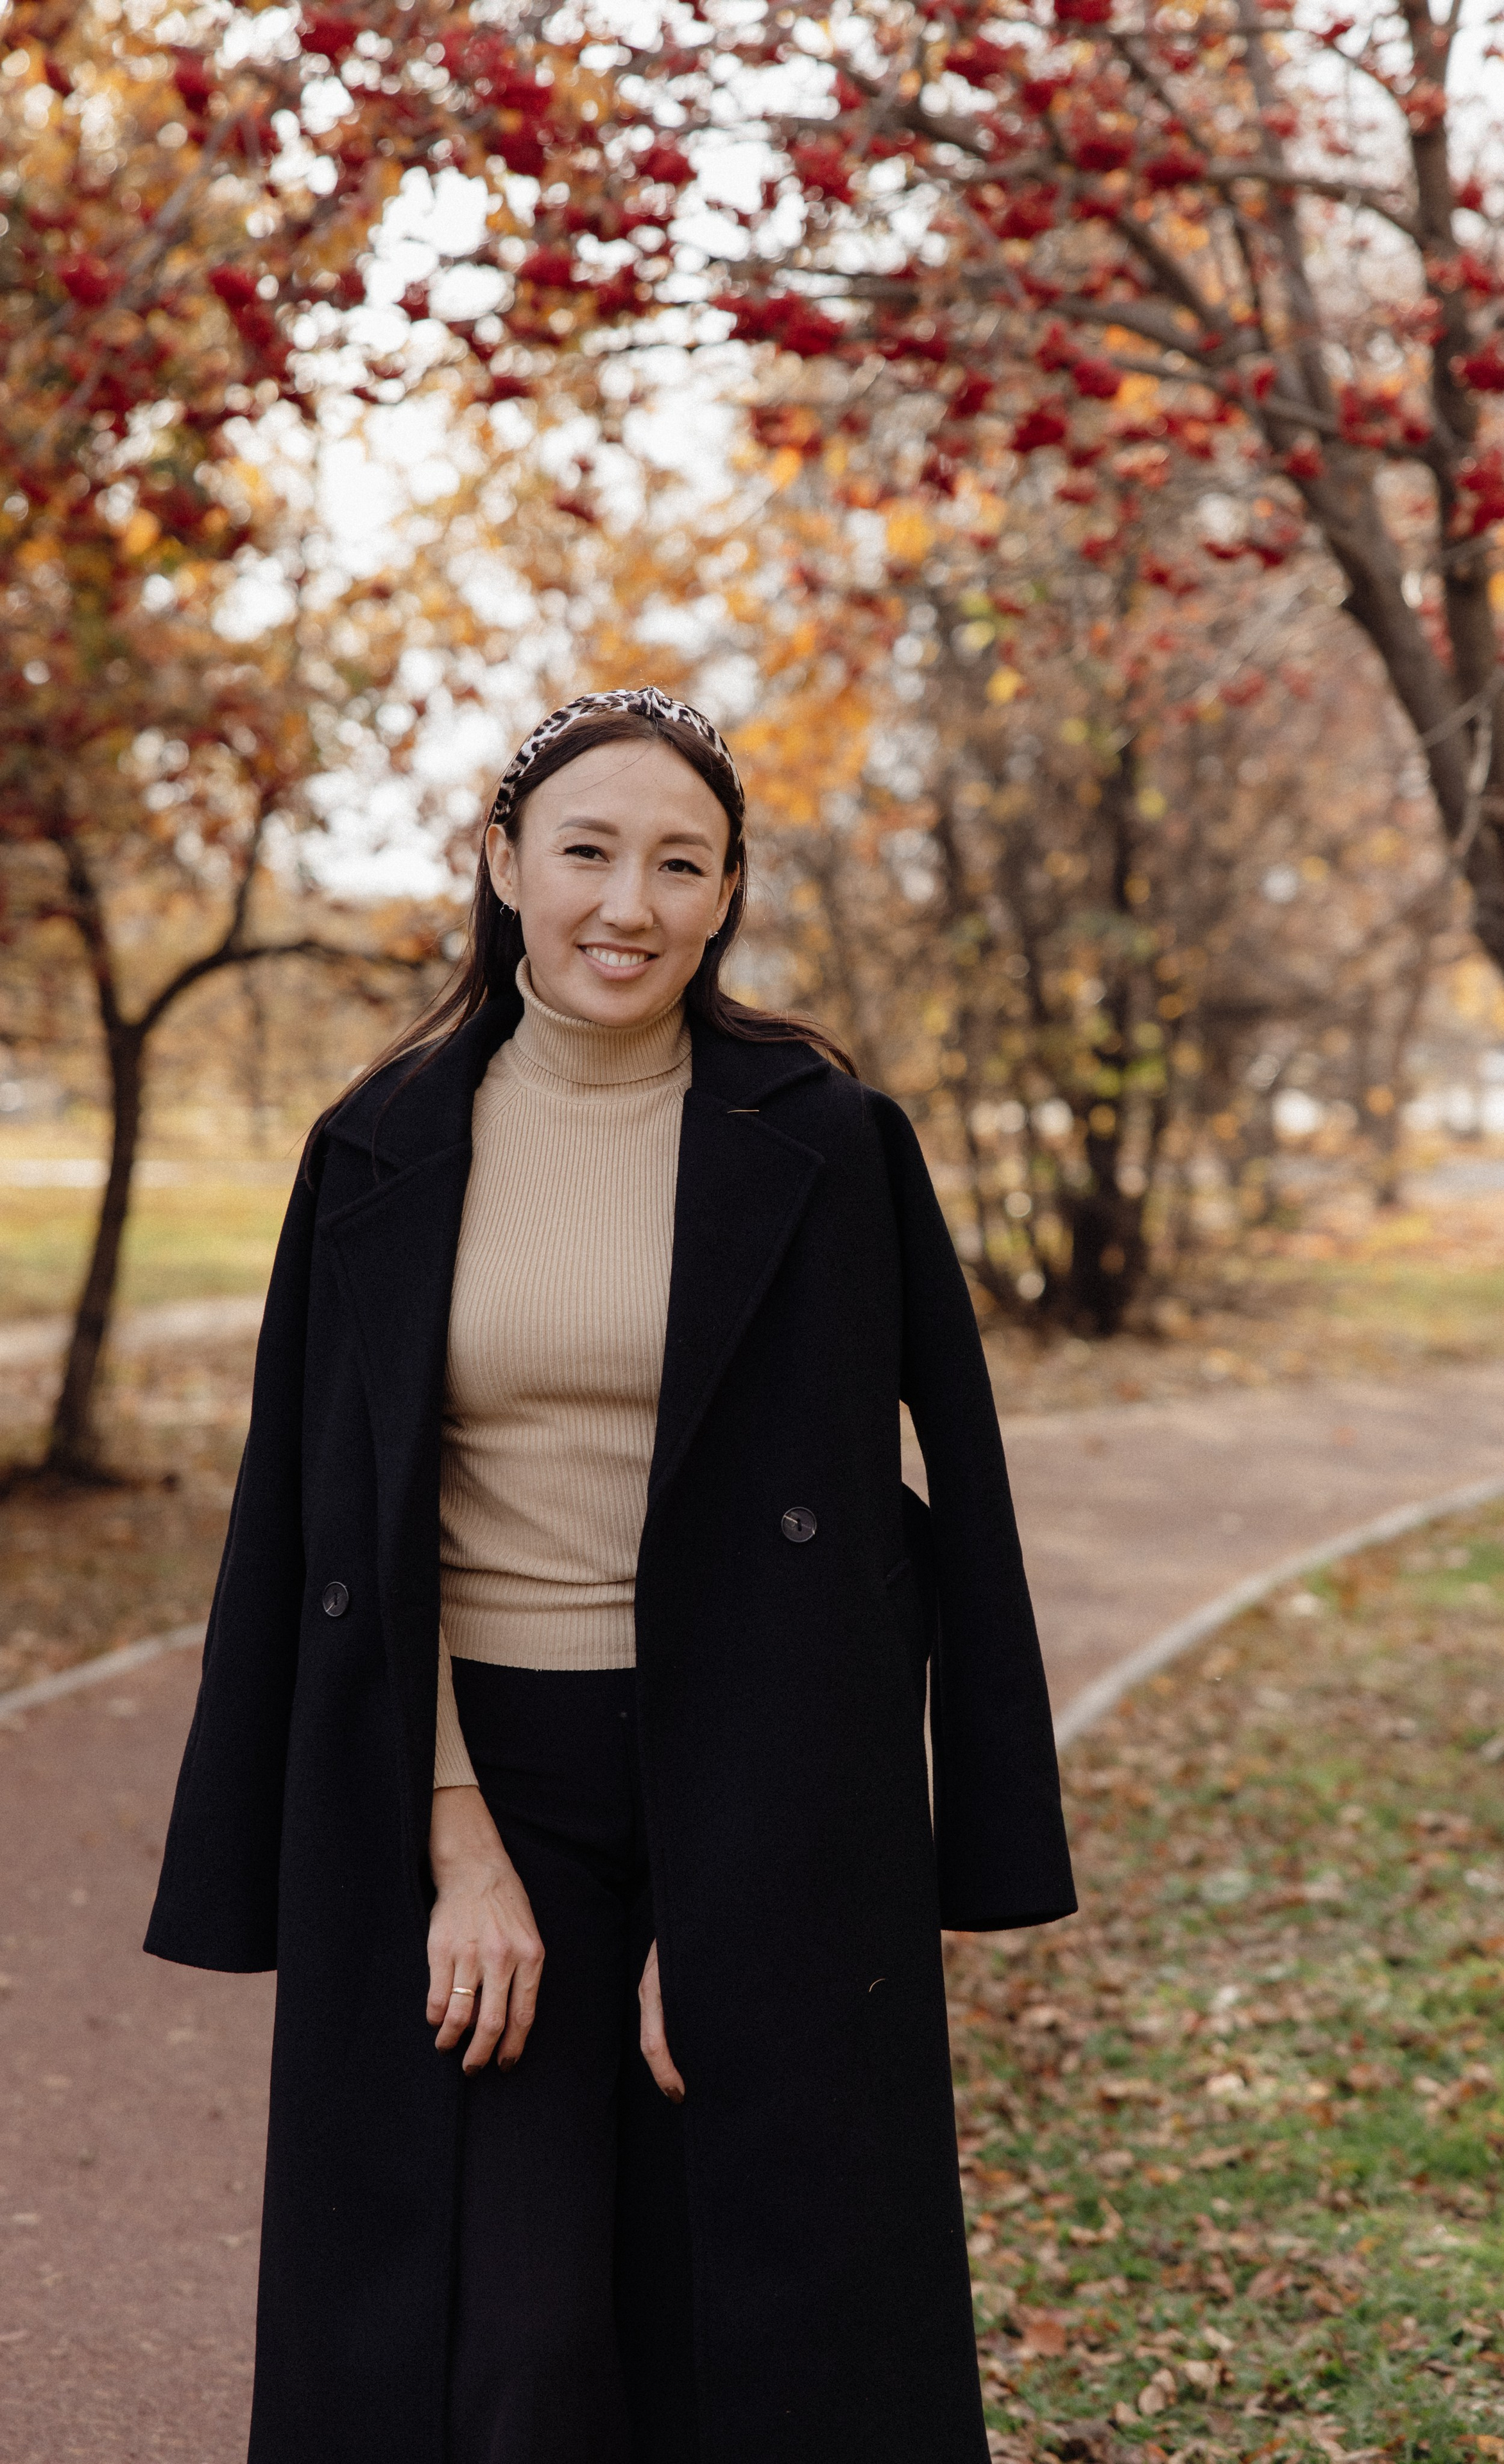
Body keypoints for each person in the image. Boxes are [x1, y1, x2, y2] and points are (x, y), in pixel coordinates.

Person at [145, 686, 1075, 2464]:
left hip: (764, 1770)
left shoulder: (829, 1141)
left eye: (680, 864)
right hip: (473, 1772)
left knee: (753, 2332)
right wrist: (457, 1841)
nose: (627, 906)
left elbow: (936, 1501)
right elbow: (332, 1523)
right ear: (503, 865)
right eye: (586, 852)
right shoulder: (378, 1146)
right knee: (517, 2349)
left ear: (726, 896)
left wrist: (748, 1910)